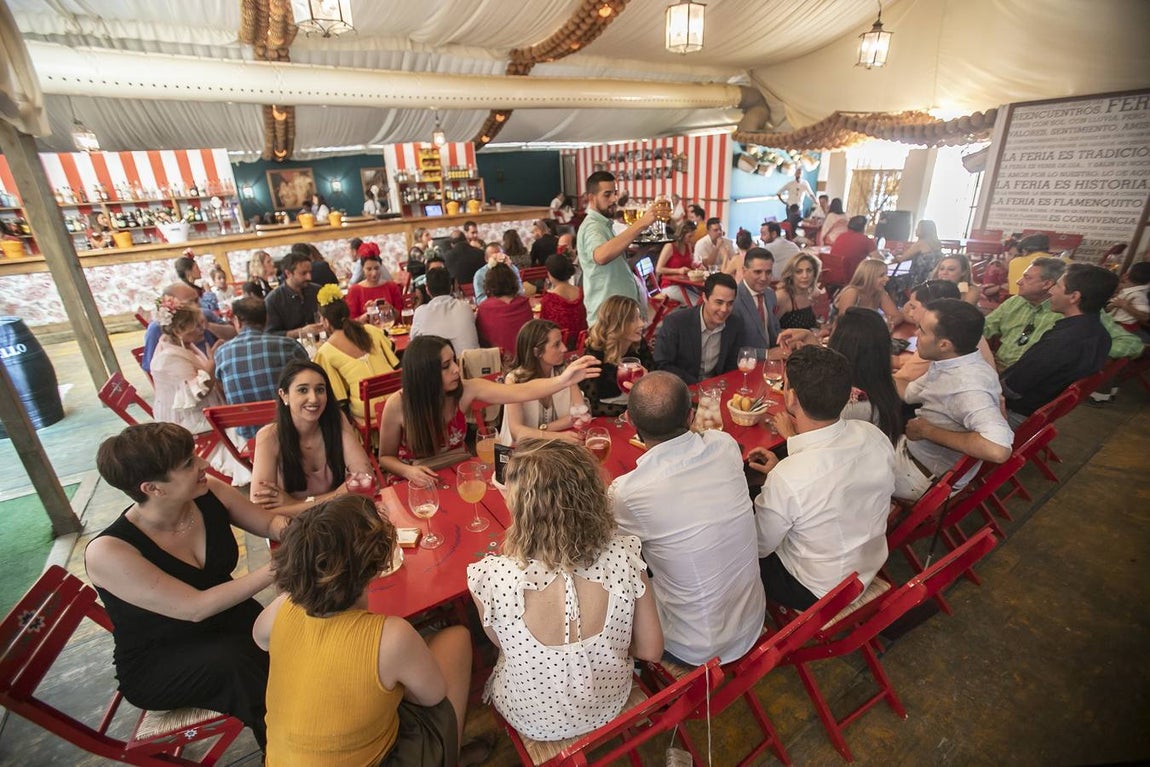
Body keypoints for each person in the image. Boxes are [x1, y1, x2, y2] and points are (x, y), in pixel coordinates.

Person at [88, 423, 288, 751]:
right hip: (162, 659)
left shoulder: (208, 493)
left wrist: (298, 533)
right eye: (187, 464)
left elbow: (267, 522)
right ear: (152, 488)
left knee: (296, 628)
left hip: (230, 624)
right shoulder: (110, 551)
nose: (204, 465)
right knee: (241, 663)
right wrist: (279, 567)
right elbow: (195, 608)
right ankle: (288, 750)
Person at [254, 495, 478, 766]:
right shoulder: (391, 635)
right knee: (457, 638)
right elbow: (432, 695)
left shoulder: (282, 608)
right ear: (378, 564)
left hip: (278, 759)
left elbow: (260, 637)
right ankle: (448, 754)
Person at [467, 440, 662, 741]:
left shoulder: (491, 577)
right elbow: (651, 650)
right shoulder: (625, 557)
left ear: (522, 509)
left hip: (534, 720)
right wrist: (607, 649)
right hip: (609, 702)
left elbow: (503, 646)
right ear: (592, 497)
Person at [610, 372, 764, 665]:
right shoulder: (725, 445)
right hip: (751, 621)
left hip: (695, 646)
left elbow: (608, 552)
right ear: (691, 416)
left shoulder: (628, 492)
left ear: (630, 421)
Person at [746, 346, 895, 610]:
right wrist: (782, 472)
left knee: (730, 541)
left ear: (790, 398)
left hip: (816, 590)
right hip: (866, 566)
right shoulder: (873, 436)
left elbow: (757, 546)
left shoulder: (791, 477)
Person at [377, 336, 600, 483]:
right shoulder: (397, 405)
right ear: (424, 374)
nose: (456, 369)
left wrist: (562, 380)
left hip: (459, 473)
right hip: (416, 482)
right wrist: (408, 471)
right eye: (446, 367)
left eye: (453, 361)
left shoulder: (466, 389)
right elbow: (385, 457)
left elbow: (521, 391)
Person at [897, 299, 1013, 501]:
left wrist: (928, 431)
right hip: (911, 454)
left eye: (922, 331)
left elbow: (998, 449)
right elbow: (908, 393)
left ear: (944, 344)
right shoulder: (950, 363)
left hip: (921, 476)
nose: (917, 334)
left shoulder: (966, 386)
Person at [249, 360, 375, 515]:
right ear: (284, 395)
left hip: (338, 517)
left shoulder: (337, 420)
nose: (314, 398)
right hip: (295, 527)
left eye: (320, 390)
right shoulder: (269, 436)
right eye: (303, 390)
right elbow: (261, 510)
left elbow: (366, 481)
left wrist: (295, 504)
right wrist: (339, 494)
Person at [1000, 264, 1118, 427]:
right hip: (1041, 413)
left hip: (1014, 414)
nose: (1050, 291)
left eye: (1057, 285)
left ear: (1074, 297)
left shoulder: (1063, 340)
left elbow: (1012, 388)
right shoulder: (1100, 335)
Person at [150, 302, 249, 483]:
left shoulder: (184, 345)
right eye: (195, 324)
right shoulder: (168, 358)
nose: (201, 328)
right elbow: (198, 394)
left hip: (204, 409)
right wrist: (212, 363)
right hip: (189, 420)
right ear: (179, 329)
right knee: (244, 421)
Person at [983, 257, 1141, 370]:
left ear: (1048, 284)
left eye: (1027, 277)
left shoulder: (1077, 311)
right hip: (997, 367)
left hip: (1034, 380)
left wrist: (1080, 352)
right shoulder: (1016, 301)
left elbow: (1132, 344)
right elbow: (986, 327)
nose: (1018, 281)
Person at [214, 297, 309, 440]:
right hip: (289, 429)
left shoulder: (222, 352)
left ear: (237, 321)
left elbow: (223, 388)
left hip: (250, 436)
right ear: (266, 319)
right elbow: (309, 381)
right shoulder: (289, 345)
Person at [576, 171, 655, 325]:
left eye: (615, 193)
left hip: (621, 315)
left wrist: (643, 251)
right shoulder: (593, 226)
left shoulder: (605, 225)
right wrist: (641, 224)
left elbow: (618, 268)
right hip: (609, 319)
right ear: (591, 198)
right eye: (607, 194)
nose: (614, 199)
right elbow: (601, 256)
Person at [894, 280, 995, 397]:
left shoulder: (940, 342)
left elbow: (905, 388)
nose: (910, 314)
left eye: (913, 307)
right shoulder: (962, 330)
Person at [314, 288, 400, 424]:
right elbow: (394, 357)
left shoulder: (325, 352)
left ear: (325, 321)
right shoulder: (371, 330)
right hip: (398, 401)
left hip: (369, 413)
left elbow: (339, 398)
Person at [498, 320, 588, 445]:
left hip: (553, 445)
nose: (564, 348)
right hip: (522, 451)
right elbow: (516, 431)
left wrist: (542, 429)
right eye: (557, 344)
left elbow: (580, 416)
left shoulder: (564, 371)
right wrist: (558, 436)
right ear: (537, 352)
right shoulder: (514, 380)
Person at [825, 307, 903, 443]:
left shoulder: (853, 404)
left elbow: (821, 449)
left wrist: (789, 433)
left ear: (843, 346)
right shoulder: (880, 383)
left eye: (833, 333)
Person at [654, 272, 747, 385]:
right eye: (719, 302)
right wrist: (700, 386)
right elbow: (662, 364)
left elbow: (732, 364)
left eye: (730, 303)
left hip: (717, 390)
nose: (724, 309)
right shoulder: (676, 323)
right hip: (682, 388)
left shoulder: (735, 324)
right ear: (704, 297)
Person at [581, 295, 652, 417]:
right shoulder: (595, 353)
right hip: (610, 416)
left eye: (640, 317)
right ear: (617, 324)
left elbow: (653, 376)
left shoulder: (639, 343)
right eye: (633, 319)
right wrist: (631, 412)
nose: (642, 324)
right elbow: (591, 405)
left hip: (636, 408)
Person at [142, 282, 233, 373]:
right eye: (190, 302)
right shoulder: (157, 328)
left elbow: (234, 334)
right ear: (173, 306)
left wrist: (209, 326)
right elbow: (151, 368)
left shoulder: (205, 314)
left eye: (197, 300)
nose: (196, 306)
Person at [411, 268, 480, 354]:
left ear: (427, 290)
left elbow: (413, 344)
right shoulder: (465, 307)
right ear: (451, 288)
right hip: (470, 364)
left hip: (437, 365)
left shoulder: (420, 312)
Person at [731, 247, 779, 357]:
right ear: (744, 271)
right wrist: (766, 354)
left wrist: (788, 341)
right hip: (744, 366)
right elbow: (730, 348)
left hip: (771, 363)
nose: (764, 278)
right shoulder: (733, 300)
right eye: (758, 272)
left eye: (768, 272)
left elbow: (774, 329)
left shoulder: (770, 294)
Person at [264, 251, 323, 339]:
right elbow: (270, 335)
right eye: (303, 273)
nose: (309, 277)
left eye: (310, 272)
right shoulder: (273, 300)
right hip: (290, 348)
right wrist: (300, 332)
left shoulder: (317, 291)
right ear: (288, 273)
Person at [475, 263, 532, 351]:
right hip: (526, 357)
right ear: (513, 281)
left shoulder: (485, 307)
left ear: (489, 284)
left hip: (499, 360)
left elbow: (482, 339)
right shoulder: (524, 303)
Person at [833, 259, 903, 328]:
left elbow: (897, 316)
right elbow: (843, 324)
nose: (887, 279)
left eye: (886, 274)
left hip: (864, 334)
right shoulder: (852, 292)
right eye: (881, 275)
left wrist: (888, 324)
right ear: (868, 277)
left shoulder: (879, 293)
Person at [539, 252, 587, 346]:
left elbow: (543, 329)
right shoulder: (583, 293)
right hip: (583, 343)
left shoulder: (549, 300)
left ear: (550, 273)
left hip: (558, 346)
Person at [345, 249, 403, 322]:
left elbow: (401, 315)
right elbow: (351, 322)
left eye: (377, 268)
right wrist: (368, 314)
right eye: (369, 269)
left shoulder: (392, 286)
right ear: (363, 269)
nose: (374, 273)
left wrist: (390, 310)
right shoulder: (354, 290)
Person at [775, 253, 826, 331]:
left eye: (809, 270)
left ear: (814, 273)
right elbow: (770, 329)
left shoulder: (812, 293)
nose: (805, 276)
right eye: (799, 272)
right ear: (791, 274)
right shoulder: (782, 296)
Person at [824, 216, 879, 289]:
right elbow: (879, 259)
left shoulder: (841, 236)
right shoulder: (866, 240)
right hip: (852, 277)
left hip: (833, 275)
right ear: (864, 227)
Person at [892, 219, 944, 290]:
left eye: (918, 228)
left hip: (917, 280)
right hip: (931, 279)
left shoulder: (920, 243)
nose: (916, 230)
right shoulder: (936, 244)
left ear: (923, 230)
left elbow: (902, 259)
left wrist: (895, 255)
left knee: (891, 281)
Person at [654, 221, 698, 305]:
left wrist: (695, 266)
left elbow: (689, 264)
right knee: (697, 303)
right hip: (669, 285)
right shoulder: (670, 246)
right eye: (690, 236)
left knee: (703, 298)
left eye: (693, 236)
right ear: (682, 234)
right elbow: (658, 269)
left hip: (685, 283)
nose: (691, 239)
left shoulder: (687, 245)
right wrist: (678, 271)